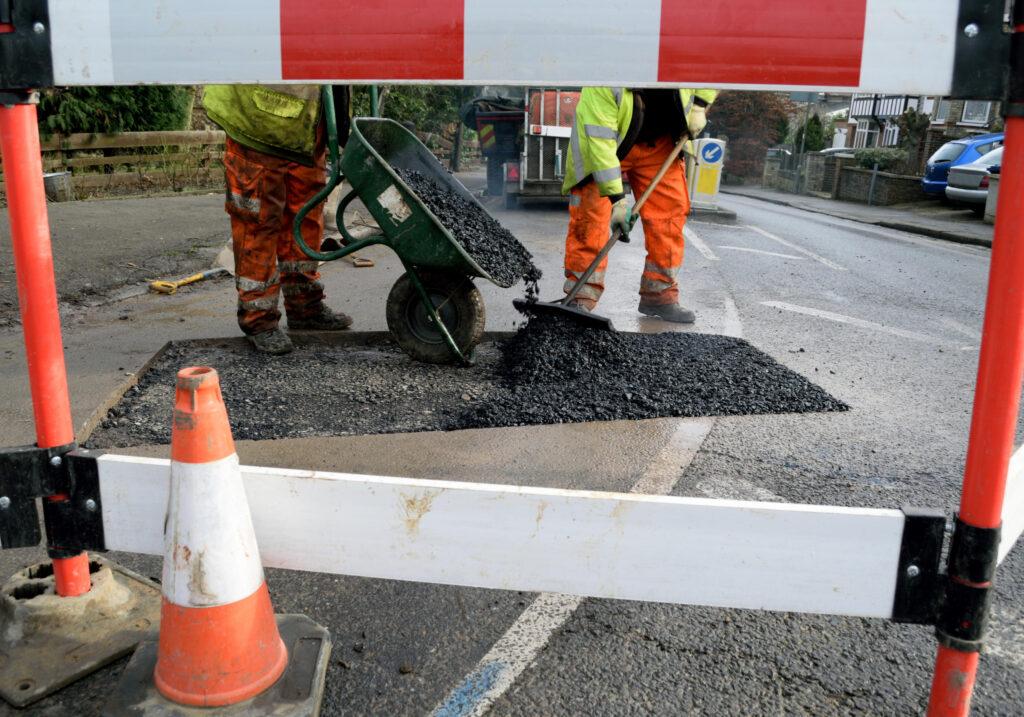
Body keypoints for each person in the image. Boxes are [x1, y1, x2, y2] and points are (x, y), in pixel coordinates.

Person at [201, 84, 353, 354]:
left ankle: (304, 306)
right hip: (258, 119)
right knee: (259, 217)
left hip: (305, 121)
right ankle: (259, 318)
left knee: (305, 212)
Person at [561, 87, 717, 323]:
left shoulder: (677, 52)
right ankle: (581, 296)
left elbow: (713, 64)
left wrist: (700, 104)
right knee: (591, 218)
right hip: (610, 146)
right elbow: (601, 147)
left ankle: (660, 294)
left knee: (669, 218)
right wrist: (617, 201)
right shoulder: (604, 81)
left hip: (662, 143)